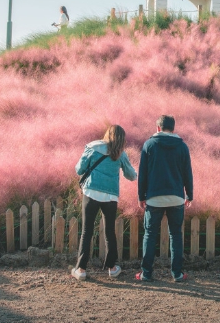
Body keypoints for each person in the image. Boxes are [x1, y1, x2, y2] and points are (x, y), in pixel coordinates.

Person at [71, 125, 137, 281]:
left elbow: (79, 169)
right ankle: (112, 268)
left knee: (87, 231)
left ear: (107, 134)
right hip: (110, 197)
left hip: (91, 193)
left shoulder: (93, 148)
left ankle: (81, 269)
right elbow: (131, 175)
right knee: (109, 232)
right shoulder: (120, 154)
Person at [136, 115, 193, 283]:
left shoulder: (149, 145)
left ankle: (146, 273)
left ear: (158, 128)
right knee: (175, 235)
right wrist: (189, 194)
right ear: (173, 129)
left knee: (150, 234)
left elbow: (142, 174)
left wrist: (141, 196)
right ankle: (177, 274)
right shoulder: (182, 147)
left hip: (154, 198)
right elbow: (187, 174)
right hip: (176, 198)